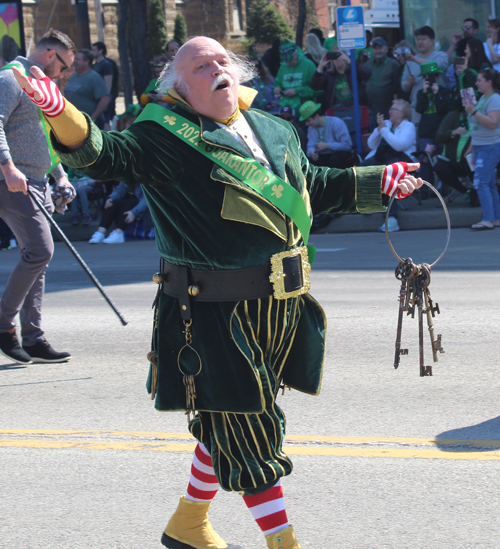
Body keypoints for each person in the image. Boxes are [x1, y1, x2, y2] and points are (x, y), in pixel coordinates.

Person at [12, 36, 423, 548]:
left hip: (280, 309)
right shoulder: (162, 139)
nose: (216, 69)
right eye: (200, 66)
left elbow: (310, 185)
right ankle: (284, 543)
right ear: (180, 89)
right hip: (211, 313)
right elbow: (106, 156)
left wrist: (378, 179)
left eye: (222, 61)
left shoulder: (274, 129)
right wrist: (60, 111)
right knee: (250, 429)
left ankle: (188, 524)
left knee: (226, 416)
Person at [0, 29, 75, 365]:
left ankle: (33, 337)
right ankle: (4, 326)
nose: (63, 74)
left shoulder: (41, 87)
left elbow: (45, 134)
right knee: (40, 251)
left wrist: (60, 175)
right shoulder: (10, 79)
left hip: (37, 181)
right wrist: (8, 168)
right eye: (64, 66)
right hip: (13, 181)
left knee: (38, 259)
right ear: (49, 55)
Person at [362, 99, 417, 233]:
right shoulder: (386, 124)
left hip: (402, 160)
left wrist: (385, 131)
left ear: (402, 114)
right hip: (383, 156)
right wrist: (378, 129)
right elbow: (371, 145)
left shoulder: (408, 127)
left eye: (394, 109)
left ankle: (392, 218)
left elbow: (400, 146)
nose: (390, 112)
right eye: (390, 109)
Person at [464, 68, 500, 230]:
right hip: (480, 146)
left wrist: (474, 111)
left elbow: (493, 123)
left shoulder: (494, 99)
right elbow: (477, 126)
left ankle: (487, 218)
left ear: (489, 82)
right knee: (489, 183)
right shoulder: (483, 99)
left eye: (479, 80)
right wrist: (472, 146)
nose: (476, 83)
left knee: (481, 182)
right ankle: (495, 217)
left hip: (489, 146)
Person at [432, 99, 479, 206]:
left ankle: (479, 194)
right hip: (450, 159)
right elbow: (438, 137)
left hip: (468, 159)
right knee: (439, 167)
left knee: (472, 164)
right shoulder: (453, 116)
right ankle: (466, 191)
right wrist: (453, 132)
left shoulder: (478, 116)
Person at [401, 26, 449, 124]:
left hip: (437, 106)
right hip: (417, 107)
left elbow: (434, 67)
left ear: (432, 41)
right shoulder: (410, 61)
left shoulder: (441, 55)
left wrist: (414, 59)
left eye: (423, 39)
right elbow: (403, 85)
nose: (420, 42)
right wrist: (409, 84)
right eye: (418, 39)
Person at [415, 62, 452, 182]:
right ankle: (425, 188)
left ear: (437, 77)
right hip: (426, 133)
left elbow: (444, 109)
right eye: (425, 77)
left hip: (441, 132)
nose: (428, 79)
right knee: (425, 159)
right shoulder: (421, 93)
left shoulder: (444, 92)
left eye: (431, 77)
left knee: (442, 159)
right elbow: (419, 109)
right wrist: (426, 94)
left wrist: (437, 95)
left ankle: (445, 187)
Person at [63, 49, 110, 130]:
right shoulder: (73, 76)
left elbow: (105, 99)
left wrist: (92, 118)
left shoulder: (94, 77)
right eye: (75, 59)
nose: (75, 61)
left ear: (86, 61)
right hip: (74, 122)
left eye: (78, 59)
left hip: (91, 125)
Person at [299, 100, 352, 168]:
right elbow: (310, 145)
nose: (307, 124)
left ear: (316, 116)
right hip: (323, 155)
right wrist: (311, 152)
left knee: (334, 160)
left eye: (308, 120)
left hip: (339, 153)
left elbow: (347, 145)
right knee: (307, 161)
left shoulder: (336, 123)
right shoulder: (311, 128)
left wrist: (327, 146)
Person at [364, 37, 401, 119]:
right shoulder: (368, 64)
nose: (378, 51)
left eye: (380, 48)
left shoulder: (393, 64)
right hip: (370, 105)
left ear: (386, 49)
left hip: (386, 106)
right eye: (375, 48)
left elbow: (397, 85)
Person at [273, 42, 316, 111]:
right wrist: (277, 88)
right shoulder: (283, 66)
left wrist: (297, 91)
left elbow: (316, 90)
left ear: (296, 54)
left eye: (290, 60)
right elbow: (278, 83)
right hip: (286, 110)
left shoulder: (309, 65)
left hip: (305, 110)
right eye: (286, 61)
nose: (288, 63)